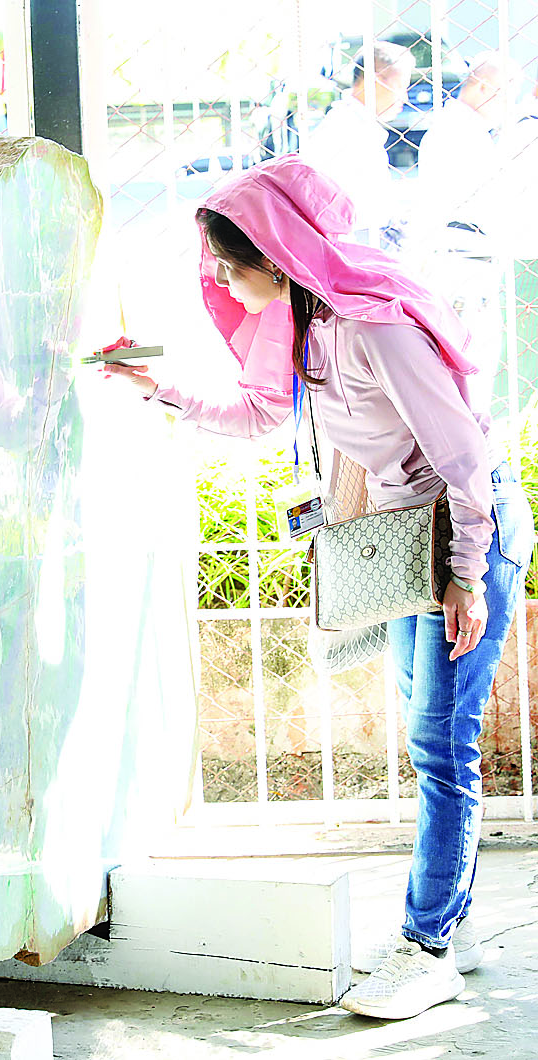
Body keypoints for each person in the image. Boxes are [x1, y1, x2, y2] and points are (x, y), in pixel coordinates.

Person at [101, 156, 529, 1022]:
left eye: (230, 265)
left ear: (276, 255)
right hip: (408, 537)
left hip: (459, 532)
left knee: (440, 743)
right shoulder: (301, 321)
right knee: (431, 739)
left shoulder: (371, 326)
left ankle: (428, 948)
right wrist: (157, 390)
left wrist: (466, 575)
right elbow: (259, 413)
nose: (222, 280)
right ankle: (448, 926)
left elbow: (462, 455)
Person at [414, 52, 526, 410]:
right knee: (469, 356)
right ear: (482, 87)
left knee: (468, 354)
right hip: (464, 252)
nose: (509, 106)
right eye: (506, 94)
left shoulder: (463, 128)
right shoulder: (458, 131)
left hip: (465, 251)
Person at [301, 40, 415, 245]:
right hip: (355, 241)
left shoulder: (357, 124)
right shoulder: (346, 129)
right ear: (374, 82)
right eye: (399, 86)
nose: (404, 98)